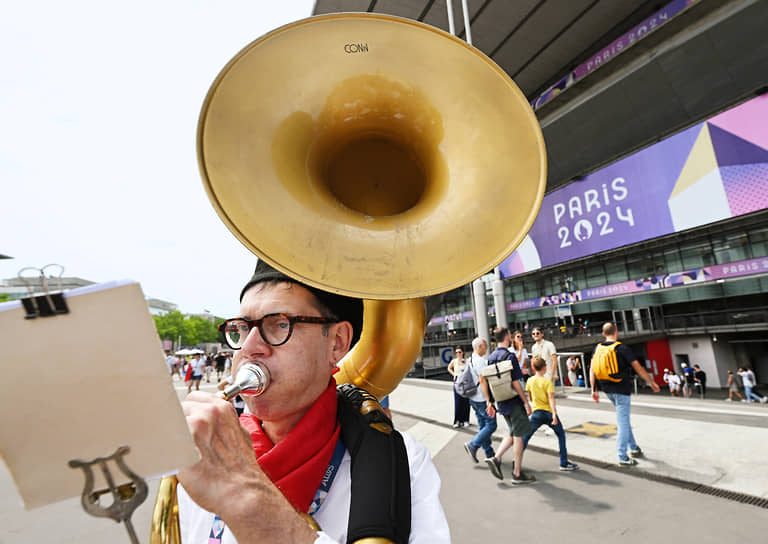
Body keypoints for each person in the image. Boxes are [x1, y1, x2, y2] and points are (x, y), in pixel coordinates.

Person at [176, 261, 450, 543]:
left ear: (337, 343)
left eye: (279, 324)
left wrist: (247, 499)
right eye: (242, 328)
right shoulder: (205, 446)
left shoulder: (405, 462)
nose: (248, 348)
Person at [590, 322, 660, 466]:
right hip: (621, 389)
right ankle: (623, 456)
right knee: (622, 423)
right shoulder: (622, 348)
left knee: (624, 419)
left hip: (606, 389)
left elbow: (592, 370)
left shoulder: (597, 348)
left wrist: (593, 389)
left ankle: (633, 448)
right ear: (616, 332)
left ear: (603, 334)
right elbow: (638, 368)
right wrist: (651, 382)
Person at [482, 327, 535, 485]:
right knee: (519, 436)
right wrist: (526, 402)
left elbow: (487, 381)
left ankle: (496, 458)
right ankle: (517, 473)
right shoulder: (510, 356)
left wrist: (489, 401)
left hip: (501, 401)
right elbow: (515, 382)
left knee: (512, 432)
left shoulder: (491, 357)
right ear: (507, 337)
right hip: (513, 401)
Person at [522, 356, 578, 471]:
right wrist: (554, 415)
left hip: (536, 412)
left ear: (533, 368)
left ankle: (516, 460)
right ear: (544, 367)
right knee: (561, 434)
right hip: (548, 412)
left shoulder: (530, 381)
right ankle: (564, 462)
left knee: (526, 436)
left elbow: (530, 397)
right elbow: (551, 399)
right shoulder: (547, 382)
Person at [463, 337, 497, 463]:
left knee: (483, 425)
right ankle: (473, 444)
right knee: (492, 425)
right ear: (480, 347)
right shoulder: (480, 361)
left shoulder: (470, 359)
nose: (486, 348)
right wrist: (488, 400)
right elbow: (482, 380)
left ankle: (489, 453)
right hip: (481, 398)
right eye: (485, 346)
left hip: (473, 397)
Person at [447, 347, 470, 428]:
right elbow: (449, 368)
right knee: (458, 402)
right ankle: (457, 420)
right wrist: (454, 375)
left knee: (466, 402)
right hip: (457, 381)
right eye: (456, 352)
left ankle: (466, 420)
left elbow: (470, 369)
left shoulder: (466, 361)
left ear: (463, 352)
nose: (458, 354)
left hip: (465, 382)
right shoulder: (454, 361)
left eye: (459, 352)